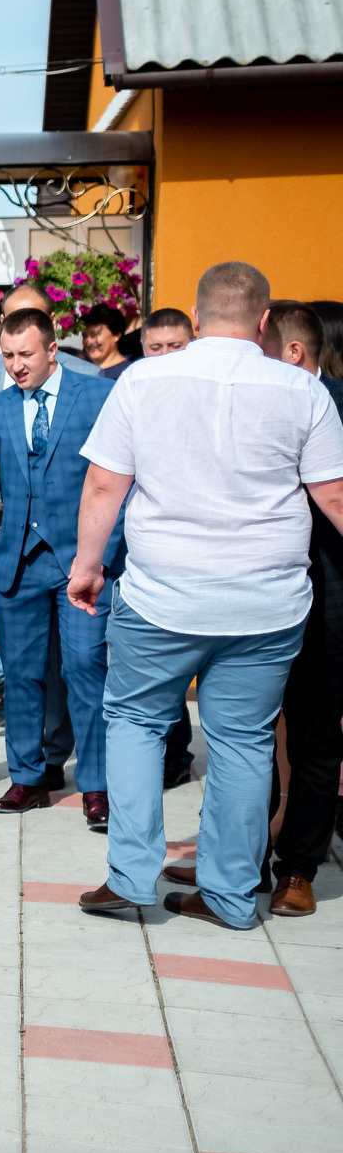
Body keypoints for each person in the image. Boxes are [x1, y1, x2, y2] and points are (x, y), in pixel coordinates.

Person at [74, 262, 343, 930]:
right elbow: (334, 495)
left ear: (195, 321)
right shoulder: (303, 390)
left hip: (163, 594)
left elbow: (105, 485)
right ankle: (226, 896)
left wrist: (87, 565)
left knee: (135, 722)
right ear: (261, 323)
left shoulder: (142, 378)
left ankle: (132, 875)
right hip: (267, 602)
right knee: (245, 742)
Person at [0, 308, 120, 826]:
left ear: (52, 349)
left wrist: (107, 557)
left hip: (80, 565)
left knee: (85, 668)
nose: (16, 366)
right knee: (21, 675)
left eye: (26, 354)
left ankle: (96, 786)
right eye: (7, 356)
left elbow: (121, 481)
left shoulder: (96, 396)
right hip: (15, 566)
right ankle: (27, 780)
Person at [245, 302, 343, 915]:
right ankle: (243, 857)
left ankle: (297, 870)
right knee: (246, 732)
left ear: (293, 355)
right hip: (257, 590)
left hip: (327, 596)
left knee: (311, 734)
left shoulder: (335, 402)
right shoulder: (262, 403)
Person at [78, 304, 132, 377]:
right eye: (84, 336)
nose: (89, 342)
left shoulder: (128, 374)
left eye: (94, 335)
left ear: (116, 335)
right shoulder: (82, 374)